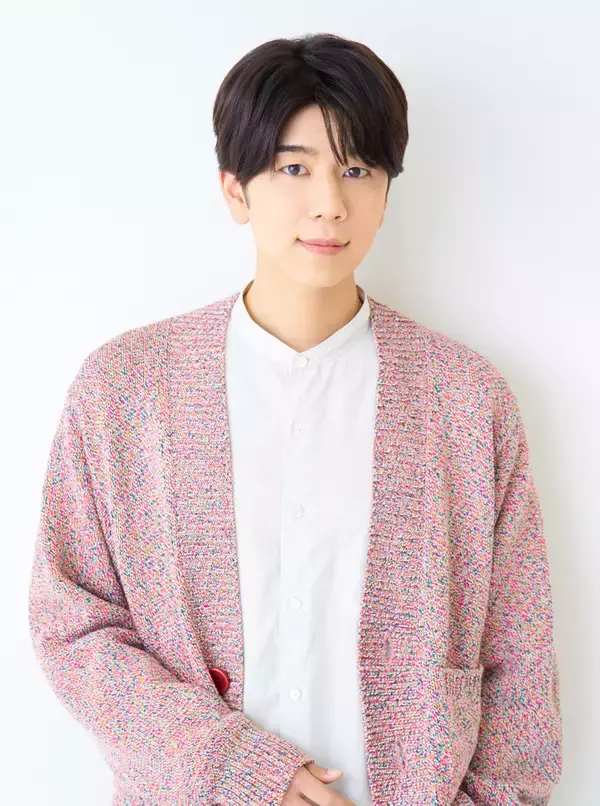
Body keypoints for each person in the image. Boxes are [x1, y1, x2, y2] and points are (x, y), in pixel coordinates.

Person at [28, 33, 563, 805]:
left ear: (387, 191)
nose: (330, 203)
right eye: (293, 167)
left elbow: (520, 657)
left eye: (358, 169)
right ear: (235, 189)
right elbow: (72, 623)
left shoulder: (467, 400)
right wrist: (235, 769)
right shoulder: (124, 389)